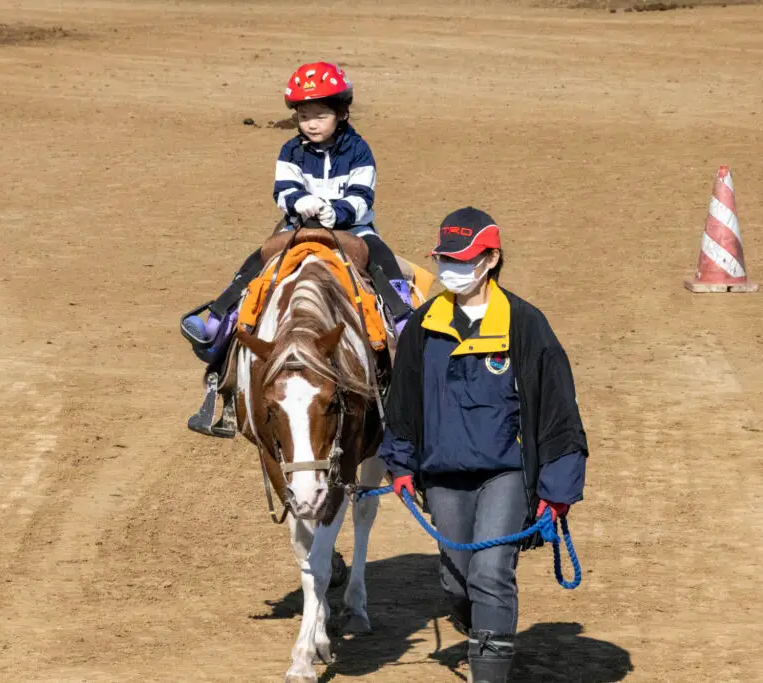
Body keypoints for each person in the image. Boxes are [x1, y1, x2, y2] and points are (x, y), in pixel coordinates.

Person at [377, 207, 589, 683]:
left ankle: (488, 673)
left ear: (491, 259)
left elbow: (558, 411)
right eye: (445, 258)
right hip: (444, 473)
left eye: (463, 258)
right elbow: (403, 404)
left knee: (490, 572)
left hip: (506, 473)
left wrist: (557, 490)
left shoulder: (525, 324)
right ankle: (486, 636)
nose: (451, 268)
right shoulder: (424, 324)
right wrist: (401, 465)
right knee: (457, 581)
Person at [181, 61, 413, 435]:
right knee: (255, 264)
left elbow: (362, 194)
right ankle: (217, 324)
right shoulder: (290, 150)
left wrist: (334, 212)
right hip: (296, 226)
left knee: (382, 259)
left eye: (320, 115)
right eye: (304, 116)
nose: (312, 124)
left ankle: (402, 316)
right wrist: (299, 203)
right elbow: (283, 190)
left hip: (352, 227)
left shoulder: (359, 150)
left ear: (341, 113)